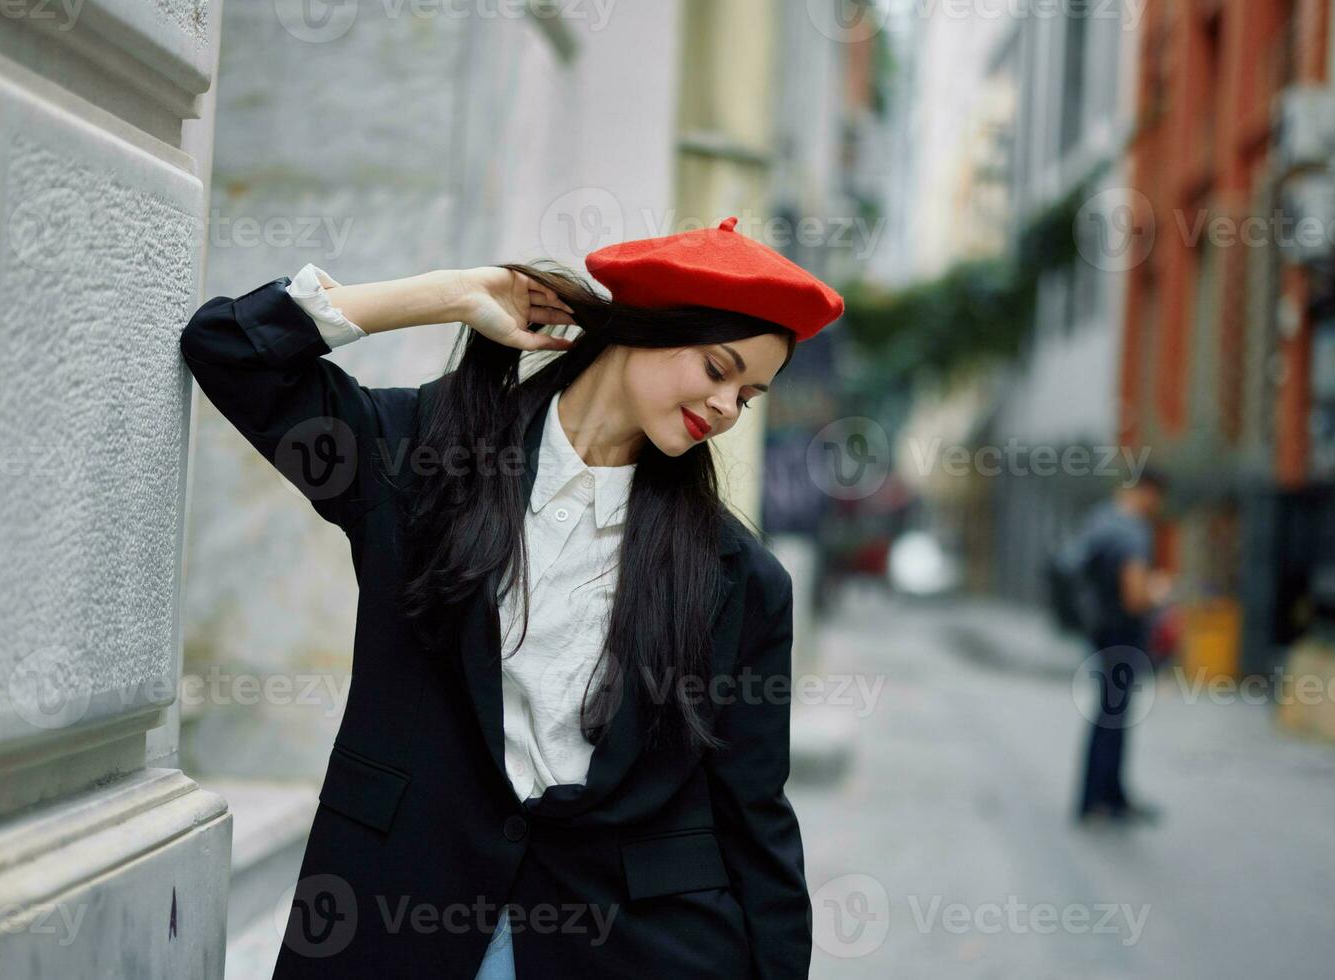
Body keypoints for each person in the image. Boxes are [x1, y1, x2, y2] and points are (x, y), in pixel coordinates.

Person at [179, 216, 844, 979]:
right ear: (645, 326)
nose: (727, 407)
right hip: (396, 909)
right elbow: (229, 350)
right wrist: (454, 293)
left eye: (750, 395)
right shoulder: (426, 456)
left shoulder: (740, 578)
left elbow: (755, 819)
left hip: (631, 947)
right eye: (718, 368)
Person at [1072, 467, 1172, 825]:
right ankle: (1103, 800)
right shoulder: (1132, 532)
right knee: (1114, 718)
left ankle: (1102, 795)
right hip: (1123, 635)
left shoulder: (1101, 519)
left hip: (1100, 630)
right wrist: (1157, 593)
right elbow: (1135, 598)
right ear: (1147, 491)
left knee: (1106, 715)